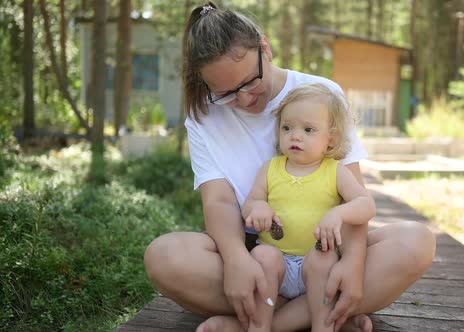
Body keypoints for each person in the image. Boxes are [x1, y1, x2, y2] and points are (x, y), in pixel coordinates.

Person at [143, 2, 436, 332]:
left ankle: (262, 322)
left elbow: (351, 200)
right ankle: (323, 313)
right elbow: (220, 202)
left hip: (326, 252)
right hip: (261, 254)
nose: (242, 100)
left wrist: (353, 265)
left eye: (249, 83)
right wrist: (238, 260)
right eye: (224, 93)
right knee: (164, 256)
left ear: (264, 48)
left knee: (416, 241)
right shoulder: (203, 116)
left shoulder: (322, 95)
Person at [241, 83, 377, 332]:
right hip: (276, 263)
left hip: (315, 267)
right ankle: (258, 326)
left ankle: (322, 326)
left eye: (308, 129)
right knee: (262, 256)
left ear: (331, 139)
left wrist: (338, 213)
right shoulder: (270, 169)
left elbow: (366, 205)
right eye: (287, 127)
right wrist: (258, 208)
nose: (295, 135)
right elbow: (250, 203)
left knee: (323, 259)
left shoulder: (334, 171)